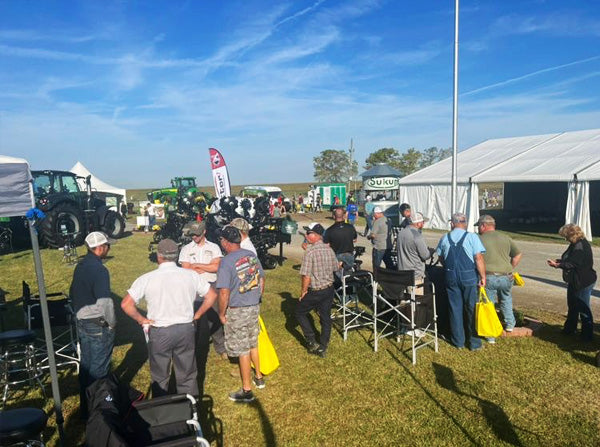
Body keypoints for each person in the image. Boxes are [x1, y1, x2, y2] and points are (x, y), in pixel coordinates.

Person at [121, 239, 217, 397]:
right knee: (187, 374)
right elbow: (211, 296)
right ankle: (189, 412)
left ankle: (163, 411)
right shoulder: (191, 275)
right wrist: (197, 315)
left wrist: (141, 319)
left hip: (160, 332)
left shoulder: (147, 278)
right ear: (176, 255)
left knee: (160, 376)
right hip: (185, 329)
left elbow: (126, 304)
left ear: (159, 256)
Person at [217, 226, 266, 403]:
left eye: (221, 239)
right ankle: (259, 377)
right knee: (253, 341)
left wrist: (222, 313)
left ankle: (246, 390)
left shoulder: (226, 261)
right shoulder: (251, 255)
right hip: (253, 306)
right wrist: (258, 297)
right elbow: (261, 278)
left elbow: (223, 292)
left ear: (226, 242)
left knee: (242, 349)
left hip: (237, 309)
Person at [70, 231, 116, 418]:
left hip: (82, 321)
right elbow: (105, 302)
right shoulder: (100, 270)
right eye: (107, 246)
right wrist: (111, 324)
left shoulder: (80, 265)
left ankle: (85, 409)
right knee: (99, 371)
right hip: (98, 324)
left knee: (87, 367)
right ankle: (98, 415)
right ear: (101, 248)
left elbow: (72, 291)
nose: (108, 249)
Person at [436, 213, 486, 351]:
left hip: (450, 276)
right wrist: (483, 276)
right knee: (471, 309)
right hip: (469, 277)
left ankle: (458, 341)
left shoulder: (445, 238)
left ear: (452, 223)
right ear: (465, 223)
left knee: (454, 308)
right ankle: (474, 343)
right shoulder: (472, 237)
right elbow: (478, 258)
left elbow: (440, 257)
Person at [179, 221, 226, 358]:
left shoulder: (214, 247)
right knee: (195, 317)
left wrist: (197, 265)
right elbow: (186, 269)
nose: (194, 237)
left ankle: (221, 347)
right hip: (194, 288)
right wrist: (207, 266)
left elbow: (216, 267)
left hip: (212, 285)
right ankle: (195, 347)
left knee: (215, 316)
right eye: (192, 234)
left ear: (204, 232)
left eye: (197, 234)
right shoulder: (186, 249)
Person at [476, 215, 522, 341]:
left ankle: (490, 336)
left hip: (489, 276)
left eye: (478, 226)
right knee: (506, 299)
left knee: (488, 304)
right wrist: (510, 268)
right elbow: (517, 255)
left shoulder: (478, 239)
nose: (478, 229)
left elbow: (476, 258)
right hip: (506, 276)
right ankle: (510, 325)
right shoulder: (505, 237)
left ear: (483, 226)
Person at [297, 223, 340, 358]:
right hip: (329, 288)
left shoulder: (310, 251)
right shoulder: (329, 250)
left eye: (308, 233)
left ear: (315, 235)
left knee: (299, 312)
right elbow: (335, 268)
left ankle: (311, 340)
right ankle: (323, 345)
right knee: (325, 316)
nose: (306, 235)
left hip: (316, 290)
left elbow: (306, 275)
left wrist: (303, 291)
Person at [547, 224, 596, 342]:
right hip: (575, 280)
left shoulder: (580, 246)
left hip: (583, 281)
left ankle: (587, 335)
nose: (565, 239)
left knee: (583, 308)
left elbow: (574, 263)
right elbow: (570, 259)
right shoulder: (575, 244)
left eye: (565, 236)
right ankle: (569, 329)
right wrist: (560, 261)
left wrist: (558, 265)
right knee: (573, 305)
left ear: (572, 235)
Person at [396, 212, 433, 292]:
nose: (423, 224)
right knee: (415, 301)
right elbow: (425, 255)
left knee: (404, 300)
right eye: (423, 222)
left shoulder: (401, 233)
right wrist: (431, 251)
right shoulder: (417, 236)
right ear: (418, 223)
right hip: (414, 275)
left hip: (402, 272)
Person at [324, 206, 357, 272]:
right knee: (348, 274)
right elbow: (354, 240)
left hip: (337, 255)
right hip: (349, 255)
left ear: (333, 216)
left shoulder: (329, 230)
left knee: (338, 276)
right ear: (344, 216)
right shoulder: (350, 227)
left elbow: (326, 245)